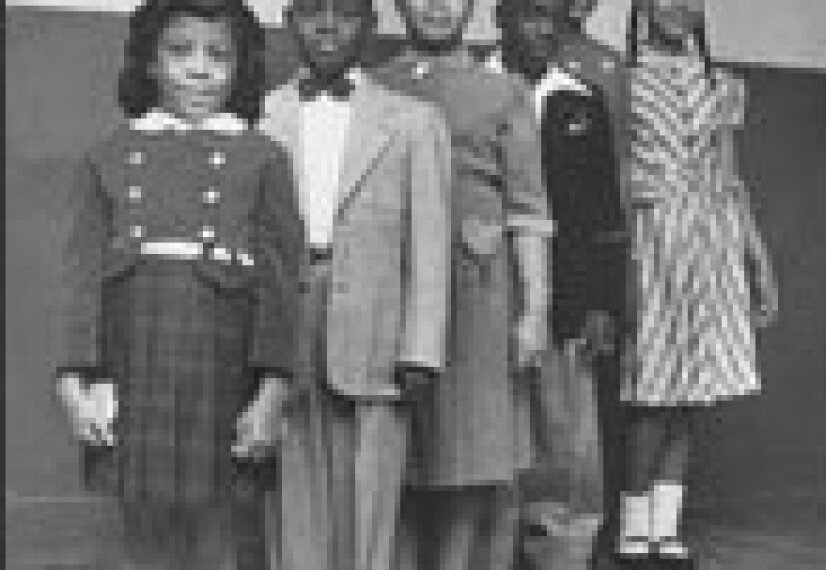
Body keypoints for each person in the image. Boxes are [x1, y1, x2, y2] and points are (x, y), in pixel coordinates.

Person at [53, 0, 303, 568]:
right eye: (180, 50)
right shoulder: (108, 155)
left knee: (216, 533)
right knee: (141, 529)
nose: (200, 68)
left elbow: (282, 288)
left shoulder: (263, 159)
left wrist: (271, 393)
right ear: (148, 61)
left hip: (223, 362)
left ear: (241, 68)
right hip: (133, 358)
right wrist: (75, 382)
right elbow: (80, 279)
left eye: (218, 54)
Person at [259, 1, 451, 569]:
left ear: (369, 25)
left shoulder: (414, 121)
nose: (327, 27)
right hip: (285, 312)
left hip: (376, 323)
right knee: (288, 473)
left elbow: (431, 243)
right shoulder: (263, 115)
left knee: (371, 484)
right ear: (291, 21)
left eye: (344, 13)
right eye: (312, 12)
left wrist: (421, 347)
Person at [372, 1, 553, 569]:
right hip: (390, 284)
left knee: (468, 455)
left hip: (475, 292)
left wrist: (534, 312)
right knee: (394, 452)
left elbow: (528, 211)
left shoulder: (504, 92)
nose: (436, 6)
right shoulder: (374, 86)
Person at [618, 0, 779, 562]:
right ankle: (631, 524)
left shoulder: (720, 82)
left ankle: (666, 526)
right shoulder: (623, 78)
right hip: (650, 240)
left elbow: (730, 178)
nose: (677, 7)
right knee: (651, 391)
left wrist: (756, 256)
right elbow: (615, 171)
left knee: (691, 393)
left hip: (710, 243)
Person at [491, 0, 630, 548]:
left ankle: (561, 551)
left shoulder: (581, 100)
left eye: (551, 14)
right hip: (490, 295)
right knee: (495, 435)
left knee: (565, 442)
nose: (543, 28)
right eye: (528, 14)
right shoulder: (480, 90)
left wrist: (603, 303)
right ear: (500, 18)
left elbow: (603, 212)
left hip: (569, 299)